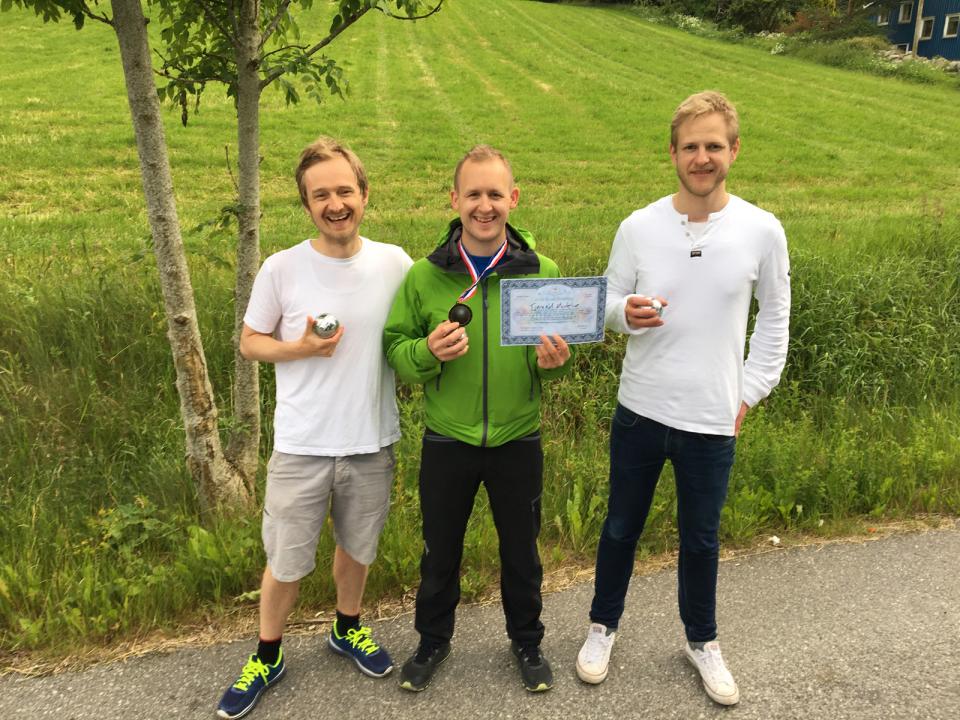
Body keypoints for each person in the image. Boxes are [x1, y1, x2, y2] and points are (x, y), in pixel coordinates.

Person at [575, 91, 790, 706]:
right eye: (690, 146)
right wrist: (625, 313)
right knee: (621, 527)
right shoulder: (638, 227)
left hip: (712, 418)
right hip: (640, 410)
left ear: (734, 150)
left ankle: (702, 640)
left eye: (713, 145)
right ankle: (602, 626)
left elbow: (776, 319)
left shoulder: (761, 230)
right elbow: (606, 301)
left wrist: (749, 392)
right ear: (672, 153)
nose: (702, 157)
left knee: (701, 539)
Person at [216, 137, 413, 719]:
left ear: (364, 194)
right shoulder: (281, 268)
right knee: (285, 560)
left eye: (344, 191)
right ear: (306, 204)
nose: (335, 204)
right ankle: (267, 654)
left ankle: (347, 628)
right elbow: (249, 342)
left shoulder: (395, 264)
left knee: (357, 548)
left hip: (371, 439)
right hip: (301, 444)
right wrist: (299, 348)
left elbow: (415, 333)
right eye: (320, 195)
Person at [383, 145, 572, 693]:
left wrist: (555, 364)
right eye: (473, 194)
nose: (484, 206)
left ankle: (528, 642)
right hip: (448, 437)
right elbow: (395, 348)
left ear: (514, 198)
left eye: (495, 194)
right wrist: (427, 352)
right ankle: (432, 640)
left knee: (522, 553)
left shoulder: (542, 272)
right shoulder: (424, 276)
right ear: (454, 199)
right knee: (440, 550)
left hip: (518, 436)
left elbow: (558, 355)